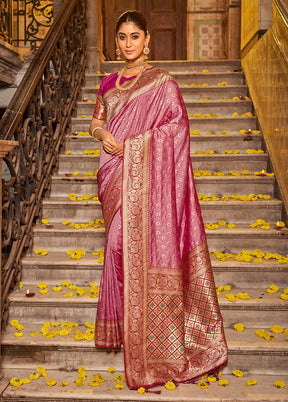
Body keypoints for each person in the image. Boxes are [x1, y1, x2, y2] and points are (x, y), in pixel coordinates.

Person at [89, 10, 228, 390]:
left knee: (128, 247)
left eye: (135, 36)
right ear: (116, 41)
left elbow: (176, 127)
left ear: (147, 40)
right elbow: (95, 121)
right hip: (113, 173)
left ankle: (154, 340)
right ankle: (132, 332)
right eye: (122, 37)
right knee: (118, 248)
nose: (128, 43)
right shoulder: (108, 83)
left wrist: (135, 146)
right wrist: (103, 135)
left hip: (147, 180)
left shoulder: (163, 84)